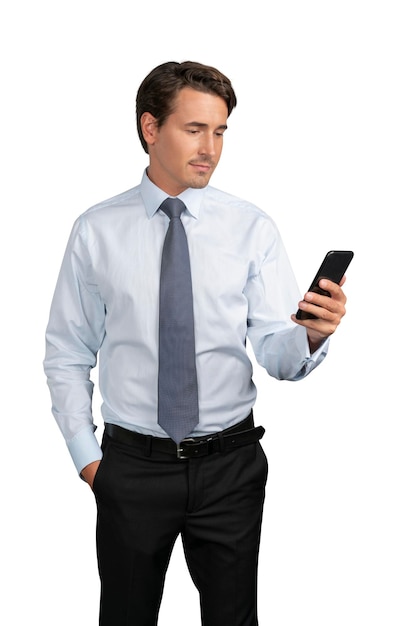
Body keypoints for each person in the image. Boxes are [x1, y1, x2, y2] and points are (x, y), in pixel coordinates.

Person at [44, 60, 348, 626]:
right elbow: (67, 351)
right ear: (150, 129)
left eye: (221, 131)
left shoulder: (251, 227)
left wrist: (308, 334)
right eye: (194, 129)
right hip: (132, 467)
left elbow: (277, 354)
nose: (210, 147)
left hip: (230, 467)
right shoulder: (96, 230)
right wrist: (89, 461)